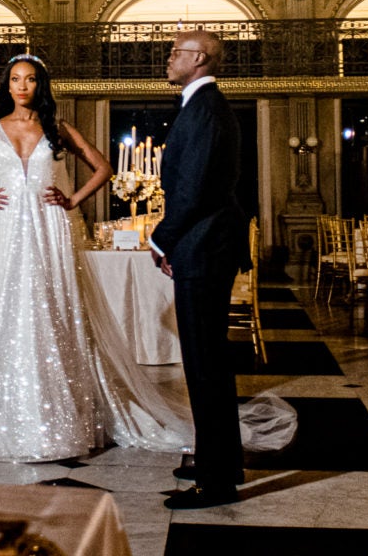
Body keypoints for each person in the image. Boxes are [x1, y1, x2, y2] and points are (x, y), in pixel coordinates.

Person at [0, 53, 194, 463]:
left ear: (39, 86)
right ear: (7, 86)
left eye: (29, 79)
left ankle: (61, 411)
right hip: (7, 227)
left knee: (54, 307)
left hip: (51, 225)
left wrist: (73, 200)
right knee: (5, 309)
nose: (22, 86)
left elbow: (102, 167)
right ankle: (4, 412)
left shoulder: (57, 129)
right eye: (15, 79)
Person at [150, 28, 248, 509]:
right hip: (202, 246)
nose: (168, 59)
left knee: (206, 365)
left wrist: (160, 237)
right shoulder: (199, 106)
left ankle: (218, 480)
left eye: (175, 53)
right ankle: (221, 460)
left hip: (206, 247)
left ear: (201, 58)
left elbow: (194, 190)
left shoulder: (206, 109)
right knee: (206, 363)